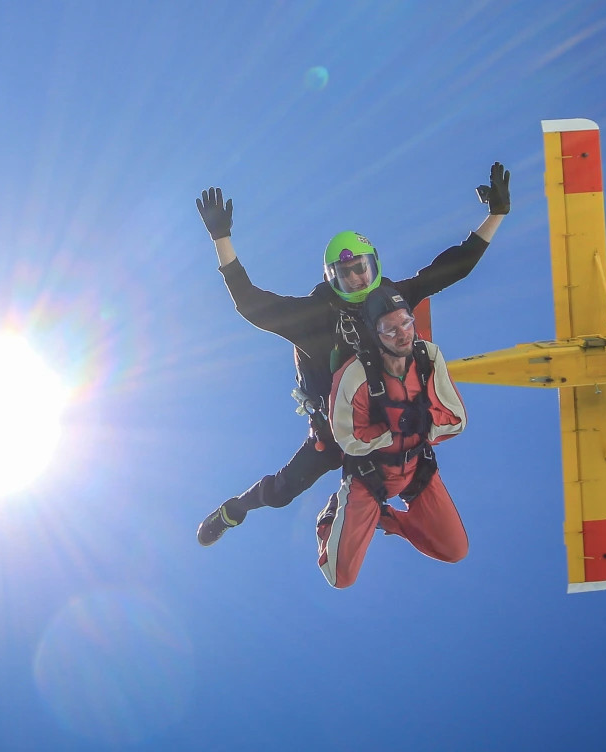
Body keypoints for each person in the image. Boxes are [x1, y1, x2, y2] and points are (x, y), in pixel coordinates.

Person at [193, 162, 511, 546]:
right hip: (334, 432)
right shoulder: (315, 320)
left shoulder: (390, 300)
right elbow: (251, 303)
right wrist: (221, 239)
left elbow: (449, 268)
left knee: (417, 488)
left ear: (374, 264)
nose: (358, 279)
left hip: (387, 423)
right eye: (347, 275)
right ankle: (235, 510)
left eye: (362, 268)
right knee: (281, 493)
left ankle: (380, 511)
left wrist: (495, 215)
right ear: (333, 281)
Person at [317, 284, 469, 588]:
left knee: (454, 550)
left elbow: (456, 419)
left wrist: (424, 421)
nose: (403, 334)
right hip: (370, 476)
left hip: (418, 469)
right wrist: (391, 427)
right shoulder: (355, 376)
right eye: (389, 329)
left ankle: (388, 519)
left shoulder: (428, 357)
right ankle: (330, 520)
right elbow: (348, 439)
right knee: (339, 577)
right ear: (375, 335)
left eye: (406, 322)